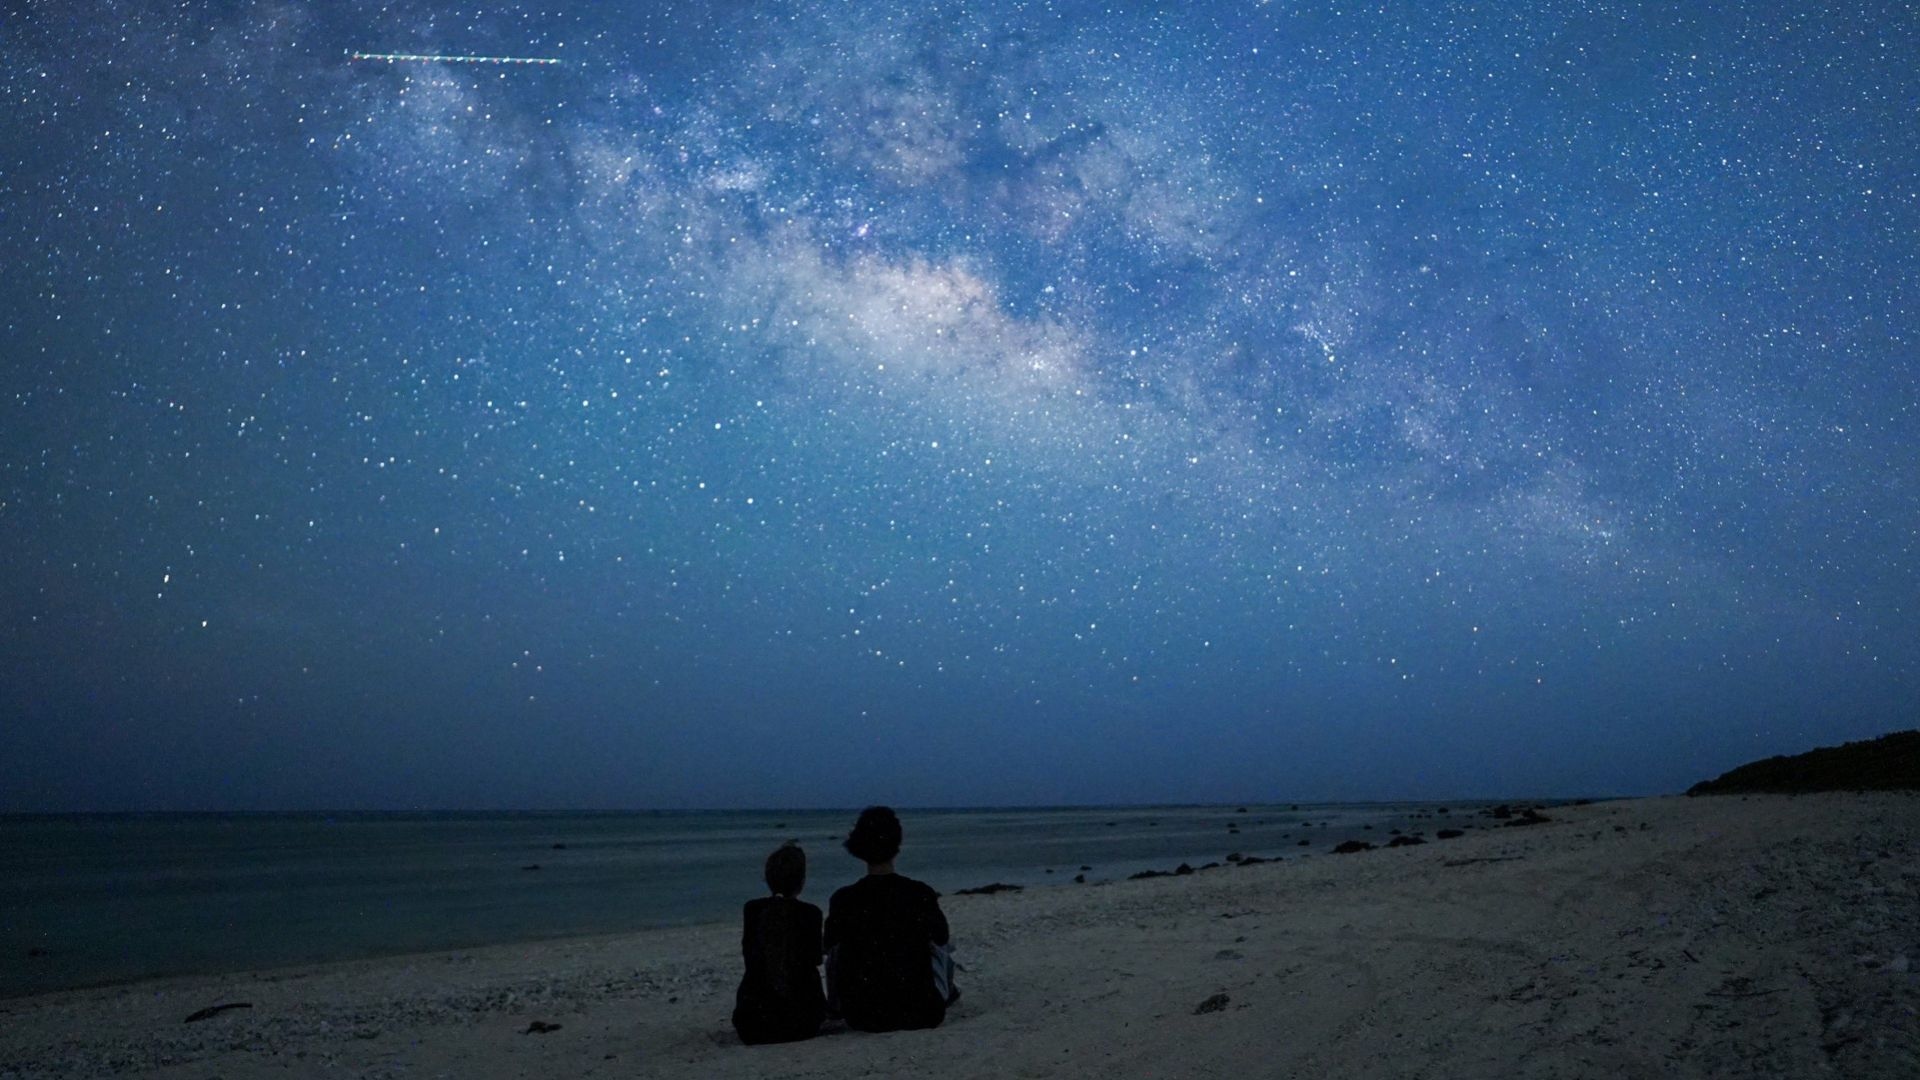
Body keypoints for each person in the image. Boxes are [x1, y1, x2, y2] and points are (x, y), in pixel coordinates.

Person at [824, 806, 957, 1032]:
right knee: (941, 943)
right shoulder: (919, 893)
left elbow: (828, 946)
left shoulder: (844, 899)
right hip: (920, 1010)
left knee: (836, 949)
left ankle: (836, 1005)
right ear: (896, 846)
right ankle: (947, 991)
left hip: (863, 1014)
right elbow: (941, 938)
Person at [731, 842, 827, 1044]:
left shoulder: (753, 910)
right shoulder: (811, 913)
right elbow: (815, 958)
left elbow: (749, 953)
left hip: (752, 1023)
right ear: (801, 881)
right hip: (802, 1022)